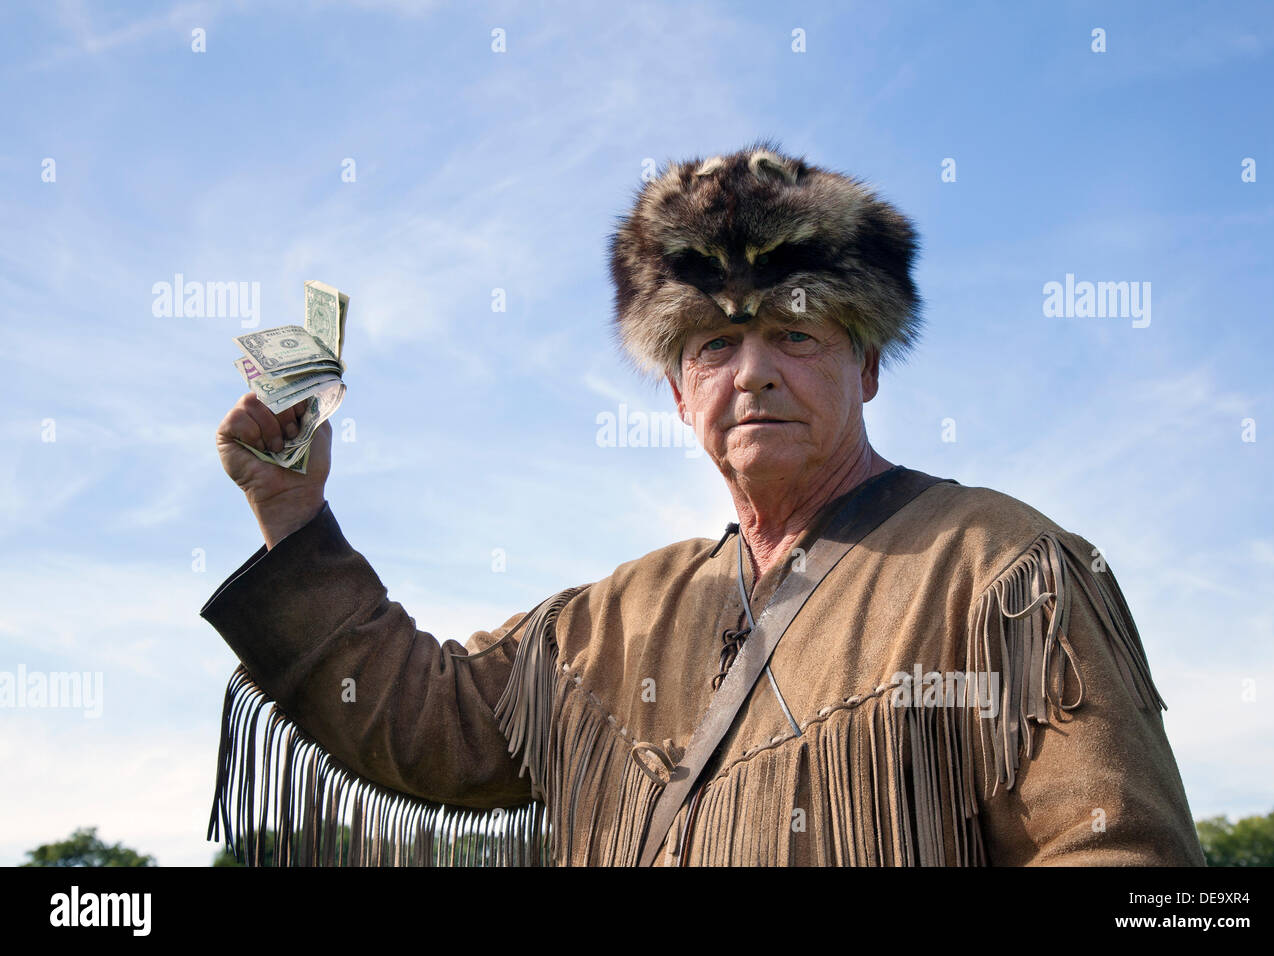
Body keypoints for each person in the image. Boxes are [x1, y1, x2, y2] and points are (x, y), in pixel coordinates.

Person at [201, 144, 1205, 866]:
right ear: (678, 391)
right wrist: (294, 516)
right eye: (714, 346)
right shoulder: (612, 616)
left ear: (866, 366)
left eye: (797, 334)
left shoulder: (1002, 565)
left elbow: (1112, 854)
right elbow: (424, 718)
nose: (754, 373)